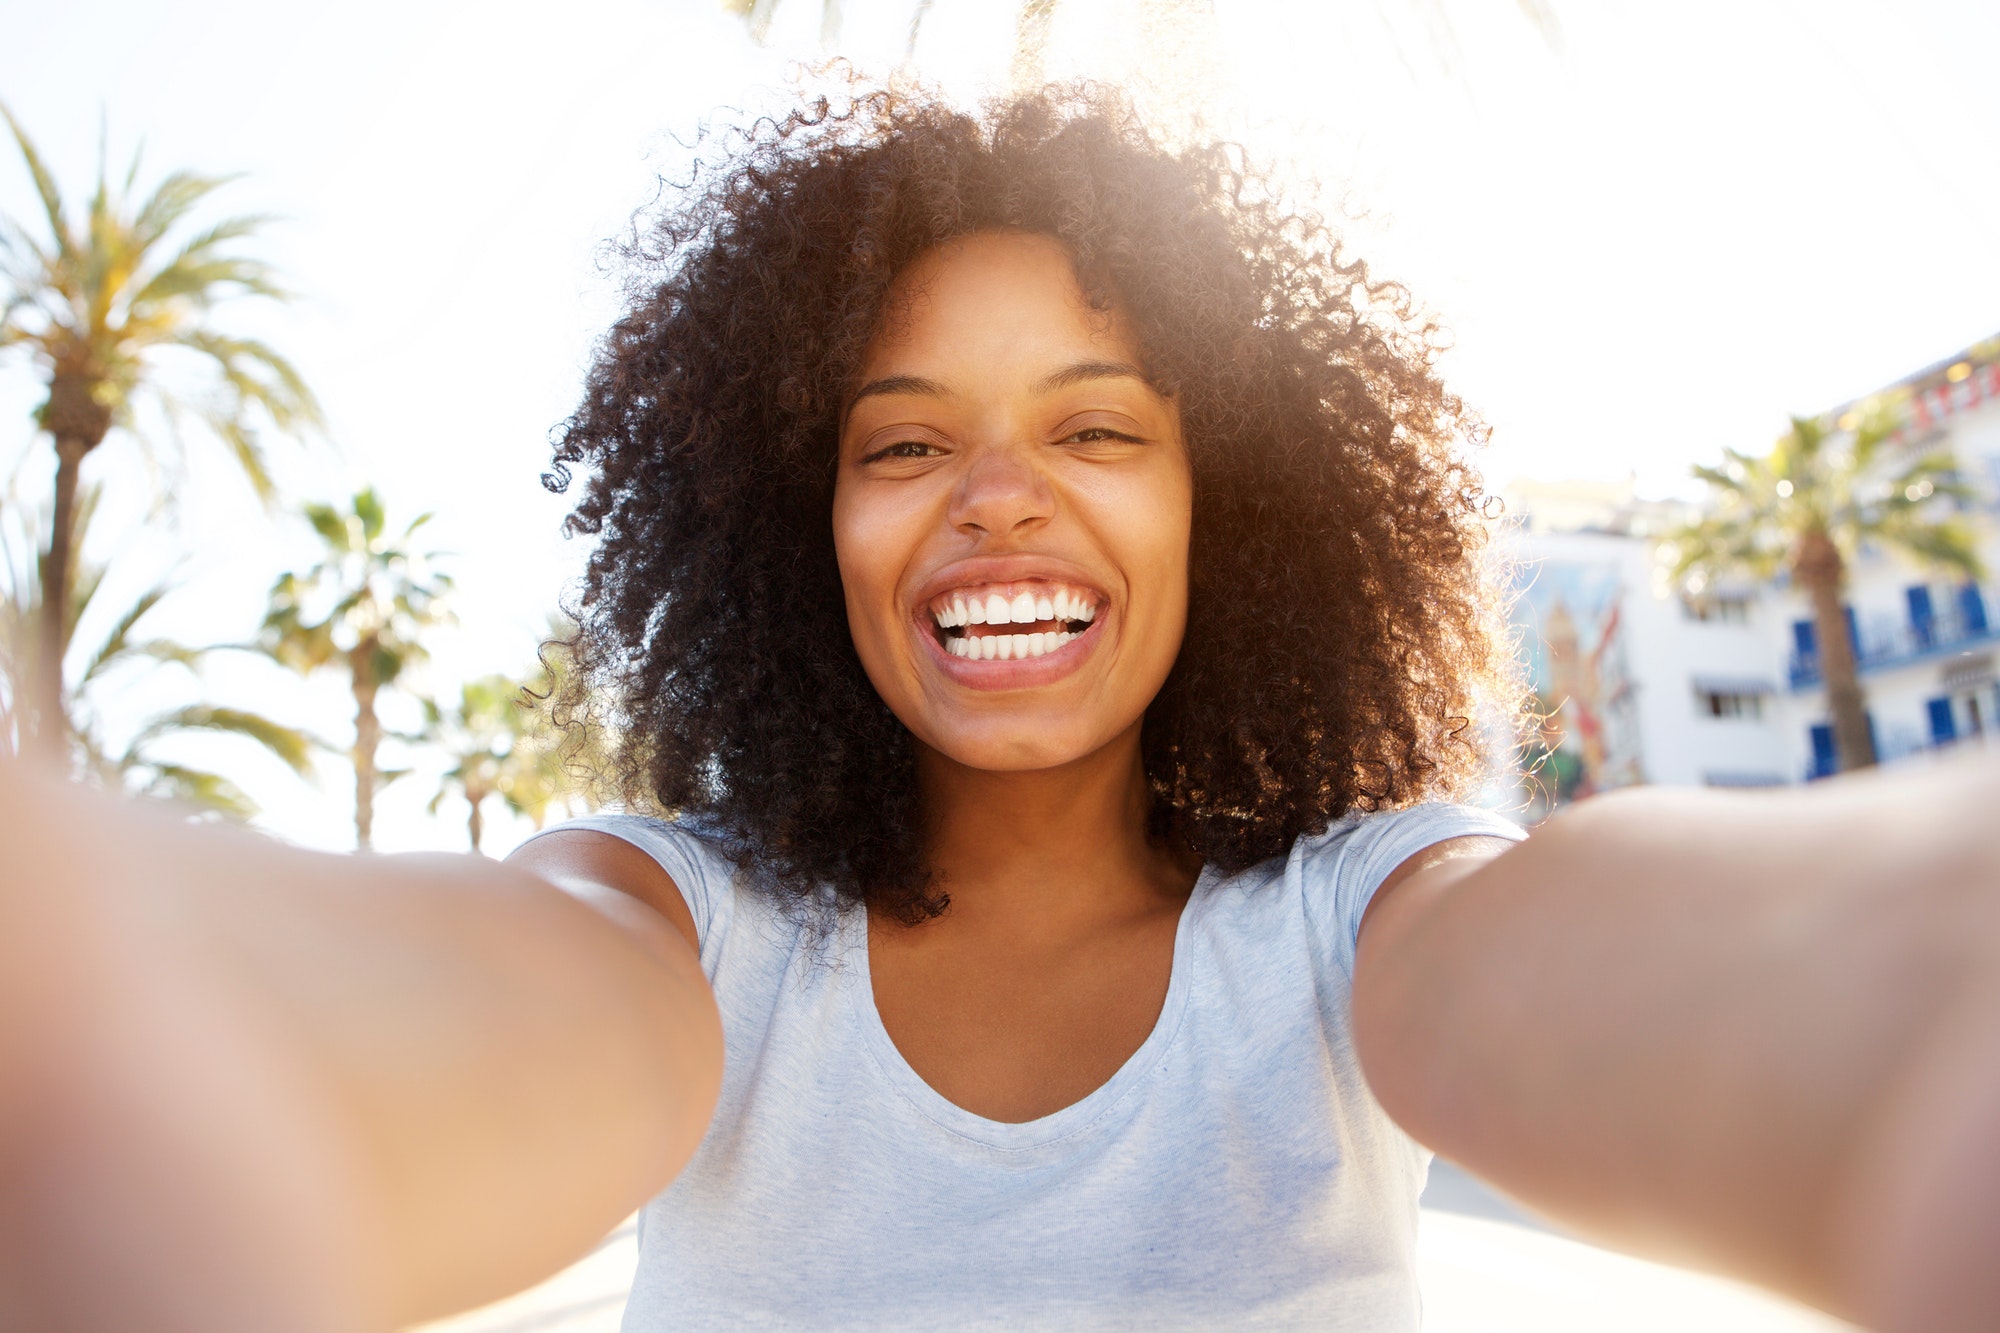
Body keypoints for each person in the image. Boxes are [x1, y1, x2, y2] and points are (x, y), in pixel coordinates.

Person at [2, 83, 1996, 1333]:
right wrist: (149, 1019)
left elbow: (1654, 966)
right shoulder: (683, 932)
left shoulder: (1352, 918)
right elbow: (382, 1031)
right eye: (900, 442)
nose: (998, 495)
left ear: (1247, 506)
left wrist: (1913, 1002)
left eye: (1099, 424)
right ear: (801, 530)